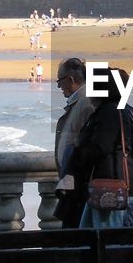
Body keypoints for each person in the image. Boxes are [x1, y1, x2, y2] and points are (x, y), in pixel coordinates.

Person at [67, 67, 133, 263]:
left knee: (107, 244)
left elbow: (100, 147)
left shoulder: (108, 113)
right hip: (121, 187)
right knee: (101, 241)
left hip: (110, 189)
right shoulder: (124, 110)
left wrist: (75, 152)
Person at [53, 57, 94, 230]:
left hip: (79, 184)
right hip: (75, 181)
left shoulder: (85, 101)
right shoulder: (82, 100)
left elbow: (87, 143)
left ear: (70, 80)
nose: (58, 87)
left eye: (59, 81)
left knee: (75, 235)